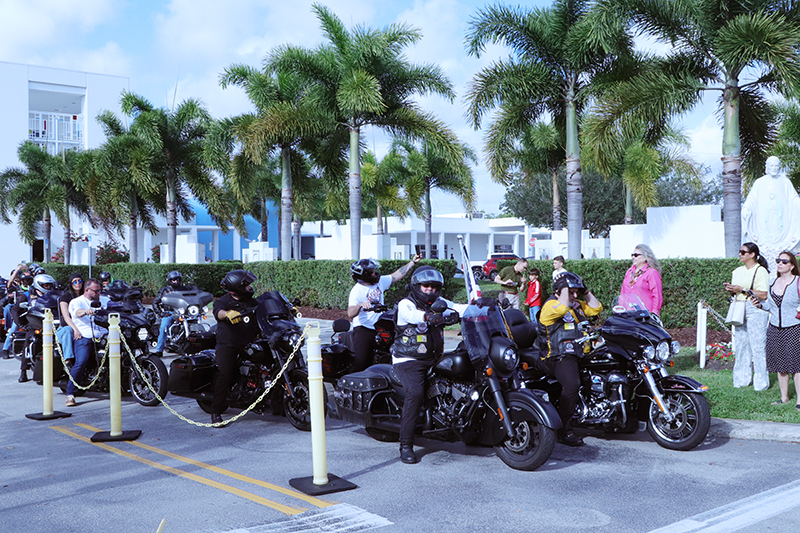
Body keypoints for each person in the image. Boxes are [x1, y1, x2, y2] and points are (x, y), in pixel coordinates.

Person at [391, 266, 468, 464]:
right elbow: (412, 316)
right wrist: (429, 317)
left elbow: (460, 307)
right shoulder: (406, 304)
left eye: (434, 286)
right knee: (415, 393)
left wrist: (484, 305)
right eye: (426, 286)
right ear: (417, 286)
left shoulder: (440, 303)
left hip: (433, 358)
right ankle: (406, 444)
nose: (430, 290)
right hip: (409, 361)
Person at [538, 272, 603, 447]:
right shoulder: (550, 306)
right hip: (557, 356)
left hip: (579, 353)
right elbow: (561, 308)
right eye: (571, 292)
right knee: (572, 384)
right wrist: (565, 287)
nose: (574, 296)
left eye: (576, 292)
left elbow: (596, 308)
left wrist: (585, 290)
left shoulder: (577, 305)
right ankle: (563, 430)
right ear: (558, 292)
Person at [347, 255, 420, 372]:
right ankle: (349, 383)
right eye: (372, 272)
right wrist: (360, 305)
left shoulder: (379, 282)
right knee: (362, 361)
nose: (375, 273)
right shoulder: (357, 290)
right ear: (364, 275)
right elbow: (350, 313)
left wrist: (412, 262)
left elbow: (396, 275)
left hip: (381, 326)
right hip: (364, 328)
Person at [751, 252, 800, 407]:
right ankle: (784, 397)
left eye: (784, 261)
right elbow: (771, 306)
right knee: (781, 364)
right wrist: (759, 305)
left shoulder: (798, 282)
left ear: (792, 265)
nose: (780, 263)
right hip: (774, 328)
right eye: (778, 260)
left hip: (794, 328)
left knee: (796, 365)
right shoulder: (772, 283)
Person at [211, 269, 260, 425]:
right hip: (229, 344)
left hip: (250, 342)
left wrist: (285, 309)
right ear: (237, 287)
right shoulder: (223, 302)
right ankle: (216, 411)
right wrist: (227, 314)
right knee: (225, 374)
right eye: (247, 286)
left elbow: (264, 307)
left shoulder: (252, 301)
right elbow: (218, 312)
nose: (250, 288)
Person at [724, 242, 770, 390]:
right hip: (739, 307)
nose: (740, 254)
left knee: (758, 346)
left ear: (752, 255)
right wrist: (731, 289)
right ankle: (741, 380)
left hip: (755, 308)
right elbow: (736, 291)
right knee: (741, 345)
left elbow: (763, 294)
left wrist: (742, 289)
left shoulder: (760, 271)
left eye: (743, 252)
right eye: (740, 251)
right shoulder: (736, 271)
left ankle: (761, 383)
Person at [742, 156, 800, 269]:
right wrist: (747, 207)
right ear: (767, 167)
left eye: (776, 166)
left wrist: (797, 203)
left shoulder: (785, 182)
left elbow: (793, 198)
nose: (774, 168)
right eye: (771, 166)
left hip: (780, 220)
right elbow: (752, 199)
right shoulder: (760, 183)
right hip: (766, 220)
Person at [65, 278, 109, 406]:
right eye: (96, 291)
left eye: (100, 291)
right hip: (85, 335)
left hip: (104, 334)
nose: (98, 293)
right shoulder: (77, 302)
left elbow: (115, 305)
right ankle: (70, 394)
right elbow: (77, 312)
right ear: (87, 290)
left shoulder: (103, 299)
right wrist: (85, 311)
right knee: (81, 361)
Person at [16, 274, 57, 383]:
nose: (48, 287)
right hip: (35, 324)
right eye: (46, 285)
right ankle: (23, 371)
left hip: (52, 323)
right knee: (29, 341)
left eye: (49, 285)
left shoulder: (53, 295)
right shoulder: (28, 295)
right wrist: (22, 325)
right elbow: (15, 310)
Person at [152, 270, 196, 357]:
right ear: (170, 280)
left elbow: (191, 298)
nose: (176, 281)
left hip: (183, 312)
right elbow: (155, 303)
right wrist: (160, 313)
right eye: (174, 280)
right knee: (164, 327)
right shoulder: (164, 290)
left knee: (194, 321)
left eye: (178, 279)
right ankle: (159, 350)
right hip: (170, 313)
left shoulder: (184, 290)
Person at [620, 244, 663, 315]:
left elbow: (657, 296)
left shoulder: (652, 273)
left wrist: (654, 314)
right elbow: (623, 293)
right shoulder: (629, 272)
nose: (633, 257)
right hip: (628, 315)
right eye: (632, 255)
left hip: (645, 315)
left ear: (645, 257)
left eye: (636, 255)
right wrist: (621, 311)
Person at [56, 273, 85, 365]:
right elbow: (66, 317)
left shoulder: (85, 297)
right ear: (71, 284)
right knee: (68, 331)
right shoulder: (65, 297)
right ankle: (68, 361)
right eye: (74, 281)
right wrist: (75, 329)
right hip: (67, 328)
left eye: (79, 281)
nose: (77, 283)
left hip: (83, 325)